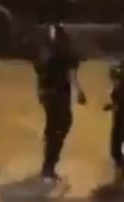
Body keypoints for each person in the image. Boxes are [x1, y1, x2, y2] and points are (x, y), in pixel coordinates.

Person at [33, 24, 87, 185]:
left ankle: (49, 161)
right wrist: (79, 92)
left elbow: (40, 72)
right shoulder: (63, 51)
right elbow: (71, 74)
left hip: (49, 93)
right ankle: (49, 165)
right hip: (59, 94)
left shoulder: (44, 49)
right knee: (61, 125)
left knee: (54, 126)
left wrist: (40, 91)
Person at [104, 57, 124, 184]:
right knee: (116, 150)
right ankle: (120, 177)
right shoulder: (123, 87)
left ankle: (121, 177)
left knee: (117, 149)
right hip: (120, 119)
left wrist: (116, 106)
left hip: (123, 121)